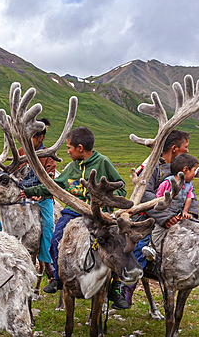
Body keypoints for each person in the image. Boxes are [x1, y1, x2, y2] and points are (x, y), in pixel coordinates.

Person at [23, 126, 126, 305]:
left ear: (80, 148)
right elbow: (53, 187)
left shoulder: (103, 163)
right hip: (73, 212)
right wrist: (28, 191)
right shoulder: (71, 168)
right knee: (55, 239)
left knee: (117, 244)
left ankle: (116, 285)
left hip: (99, 215)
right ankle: (58, 278)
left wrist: (105, 198)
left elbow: (121, 187)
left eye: (69, 147)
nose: (67, 151)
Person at [139, 130, 199, 310]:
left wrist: (190, 214)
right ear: (175, 149)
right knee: (132, 248)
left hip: (182, 218)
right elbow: (145, 194)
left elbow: (191, 196)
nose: (188, 150)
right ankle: (123, 288)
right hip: (152, 217)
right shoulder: (152, 167)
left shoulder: (185, 169)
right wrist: (164, 217)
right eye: (186, 147)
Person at [17, 117, 57, 283]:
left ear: (40, 137)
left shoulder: (49, 155)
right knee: (2, 223)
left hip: (42, 197)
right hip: (22, 194)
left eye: (32, 137)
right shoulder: (20, 152)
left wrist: (39, 193)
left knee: (48, 224)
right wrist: (20, 191)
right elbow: (14, 175)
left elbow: (50, 179)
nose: (29, 140)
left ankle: (46, 260)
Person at [146, 153, 199, 256]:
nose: (195, 174)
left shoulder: (188, 185)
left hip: (179, 214)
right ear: (185, 170)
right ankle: (152, 249)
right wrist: (165, 215)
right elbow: (158, 198)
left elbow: (189, 197)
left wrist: (185, 212)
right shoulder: (167, 183)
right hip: (166, 213)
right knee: (158, 230)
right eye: (194, 171)